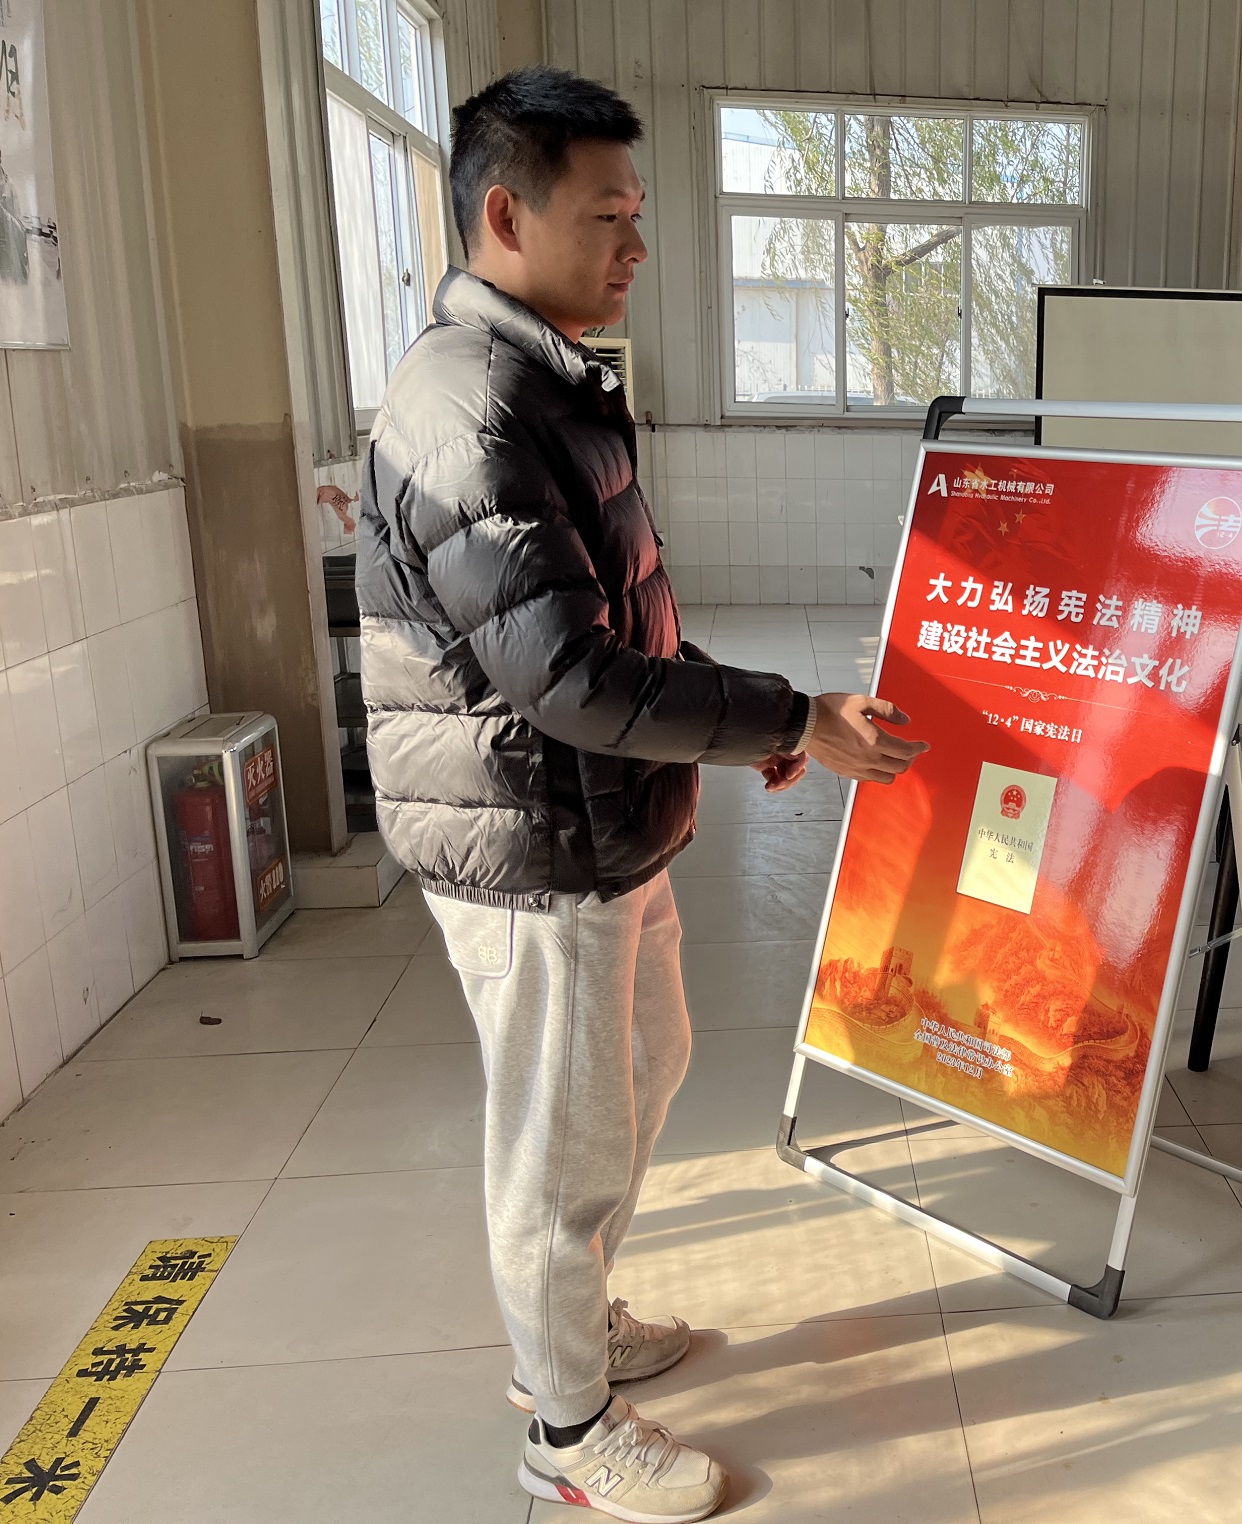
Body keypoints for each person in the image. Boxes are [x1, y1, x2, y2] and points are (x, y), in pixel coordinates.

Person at [354, 67, 927, 1524]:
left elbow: (627, 626)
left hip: (599, 822)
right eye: (607, 216)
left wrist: (761, 725)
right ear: (506, 215)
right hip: (532, 838)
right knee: (562, 1138)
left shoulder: (552, 384)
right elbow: (567, 676)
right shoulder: (472, 408)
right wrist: (787, 717)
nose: (637, 246)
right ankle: (565, 1430)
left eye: (638, 213)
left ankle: (575, 1325)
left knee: (644, 1069)